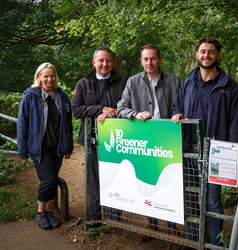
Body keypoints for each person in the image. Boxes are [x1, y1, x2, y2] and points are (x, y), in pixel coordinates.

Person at [172, 37, 238, 247]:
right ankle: (193, 241)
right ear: (197, 55)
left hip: (216, 152)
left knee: (213, 202)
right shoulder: (188, 82)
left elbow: (235, 121)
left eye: (211, 52)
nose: (206, 55)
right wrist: (177, 114)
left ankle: (215, 244)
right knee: (191, 199)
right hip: (190, 152)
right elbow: (177, 106)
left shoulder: (229, 86)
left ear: (218, 56)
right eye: (203, 51)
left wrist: (231, 153)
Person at [117, 43, 181, 240]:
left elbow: (183, 104)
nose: (149, 62)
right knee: (148, 182)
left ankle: (172, 226)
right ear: (141, 61)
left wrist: (179, 113)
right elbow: (120, 108)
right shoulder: (133, 82)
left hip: (168, 140)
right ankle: (152, 225)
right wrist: (134, 114)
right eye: (145, 59)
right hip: (144, 142)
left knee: (168, 182)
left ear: (160, 59)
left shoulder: (173, 80)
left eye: (153, 58)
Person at [71, 46, 127, 225]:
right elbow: (76, 109)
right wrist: (100, 109)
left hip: (117, 138)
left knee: (117, 176)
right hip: (92, 138)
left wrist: (113, 113)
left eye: (108, 60)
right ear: (94, 62)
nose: (105, 64)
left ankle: (114, 216)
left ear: (113, 62)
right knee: (94, 178)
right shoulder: (83, 84)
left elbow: (129, 105)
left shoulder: (123, 82)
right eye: (101, 61)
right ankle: (96, 216)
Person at [17, 63, 74, 230]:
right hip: (39, 147)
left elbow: (68, 124)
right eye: (46, 76)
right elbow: (22, 125)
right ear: (39, 77)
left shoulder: (62, 97)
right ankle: (40, 213)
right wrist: (23, 152)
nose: (49, 79)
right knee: (48, 179)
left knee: (52, 179)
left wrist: (68, 147)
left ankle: (49, 212)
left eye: (52, 76)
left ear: (56, 77)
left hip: (57, 147)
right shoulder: (30, 96)